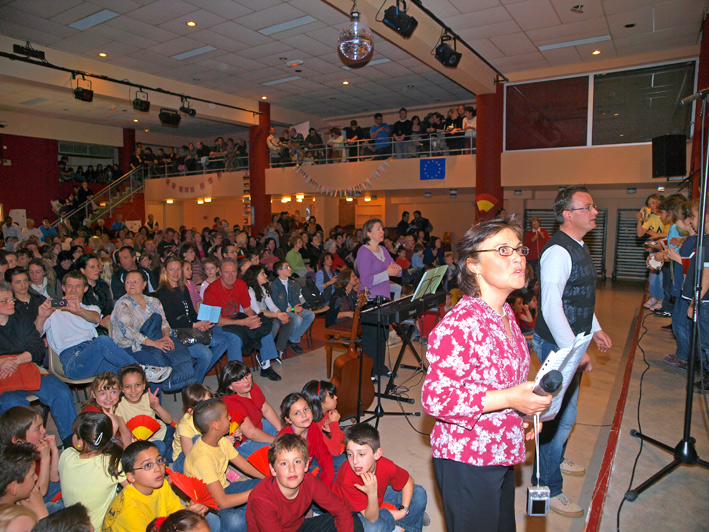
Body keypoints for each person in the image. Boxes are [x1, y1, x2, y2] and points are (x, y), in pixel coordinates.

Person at [421, 218, 552, 531]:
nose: (519, 257)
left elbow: (502, 381)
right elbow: (435, 398)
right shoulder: (460, 326)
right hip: (468, 459)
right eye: (503, 250)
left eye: (518, 250)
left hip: (501, 448)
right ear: (474, 265)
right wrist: (509, 398)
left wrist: (521, 411)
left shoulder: (505, 312)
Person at [532, 185, 612, 517]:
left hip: (572, 342)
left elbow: (577, 297)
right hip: (557, 345)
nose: (595, 212)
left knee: (567, 415)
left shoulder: (578, 246)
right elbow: (551, 308)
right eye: (588, 207)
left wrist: (595, 330)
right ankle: (548, 485)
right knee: (555, 419)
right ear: (568, 214)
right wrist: (574, 351)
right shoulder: (557, 252)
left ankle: (555, 458)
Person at [38, 270, 170, 382]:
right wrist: (42, 316)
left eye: (78, 286)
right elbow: (37, 333)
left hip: (94, 356)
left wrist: (78, 310)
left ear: (85, 289)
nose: (73, 290)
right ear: (63, 288)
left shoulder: (90, 308)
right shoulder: (53, 311)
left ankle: (140, 405)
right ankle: (141, 369)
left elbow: (95, 318)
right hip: (73, 361)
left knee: (129, 376)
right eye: (69, 286)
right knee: (104, 342)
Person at [0, 281, 77, 447]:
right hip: (3, 376)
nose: (12, 302)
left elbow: (36, 347)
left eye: (11, 299)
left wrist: (17, 360)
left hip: (27, 367)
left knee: (61, 392)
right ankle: (23, 451)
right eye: (5, 301)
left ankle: (70, 444)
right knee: (13, 405)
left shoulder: (20, 320)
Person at [245, 433, 361, 532]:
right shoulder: (262, 499)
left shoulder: (308, 480)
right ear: (273, 470)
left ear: (306, 466)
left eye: (297, 461)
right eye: (284, 463)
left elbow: (341, 509)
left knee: (351, 518)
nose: (292, 469)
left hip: (297, 527)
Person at [184, 399, 264, 532]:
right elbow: (222, 502)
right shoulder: (202, 458)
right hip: (206, 504)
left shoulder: (221, 441)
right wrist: (255, 493)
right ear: (216, 425)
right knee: (235, 521)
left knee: (265, 485)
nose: (230, 418)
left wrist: (268, 477)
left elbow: (244, 465)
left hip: (224, 488)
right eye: (226, 416)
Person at [101, 441, 213, 532]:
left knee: (210, 521)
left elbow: (175, 510)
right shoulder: (129, 512)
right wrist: (187, 519)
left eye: (159, 460)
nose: (158, 468)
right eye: (147, 465)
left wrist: (188, 515)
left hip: (159, 526)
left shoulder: (161, 484)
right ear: (130, 477)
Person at [111, 271, 195, 392]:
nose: (132, 285)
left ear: (144, 284)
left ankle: (188, 394)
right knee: (156, 365)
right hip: (132, 346)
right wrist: (154, 343)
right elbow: (129, 332)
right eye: (128, 282)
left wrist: (166, 336)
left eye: (136, 281)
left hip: (156, 339)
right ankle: (155, 403)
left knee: (181, 353)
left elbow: (164, 323)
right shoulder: (122, 304)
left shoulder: (153, 301)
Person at [334, 423, 428, 532]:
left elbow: (408, 481)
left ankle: (401, 525)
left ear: (377, 454)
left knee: (419, 493)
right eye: (350, 454)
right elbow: (371, 518)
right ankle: (411, 518)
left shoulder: (385, 465)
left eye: (361, 454)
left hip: (377, 502)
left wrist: (403, 510)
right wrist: (373, 494)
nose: (355, 461)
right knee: (373, 528)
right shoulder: (347, 477)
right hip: (353, 513)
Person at [203, 258, 281, 381]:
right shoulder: (211, 290)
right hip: (214, 325)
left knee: (262, 326)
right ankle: (236, 376)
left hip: (235, 318)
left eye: (233, 272)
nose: (230, 276)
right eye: (226, 272)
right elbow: (215, 320)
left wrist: (255, 319)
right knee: (235, 338)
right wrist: (243, 322)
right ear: (220, 273)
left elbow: (247, 309)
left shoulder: (240, 284)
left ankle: (266, 367)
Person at [155, 256, 231, 382]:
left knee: (223, 341)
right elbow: (171, 320)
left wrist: (200, 323)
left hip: (190, 329)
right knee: (205, 354)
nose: (175, 273)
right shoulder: (163, 292)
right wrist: (195, 325)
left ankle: (194, 379)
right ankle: (196, 384)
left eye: (178, 269)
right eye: (172, 269)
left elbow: (191, 312)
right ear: (165, 271)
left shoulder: (183, 289)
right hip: (176, 334)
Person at [57, 412, 126, 530]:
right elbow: (135, 489)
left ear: (80, 443)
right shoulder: (112, 463)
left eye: (75, 434)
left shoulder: (66, 455)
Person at [356, 219, 402, 377]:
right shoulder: (363, 252)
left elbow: (399, 271)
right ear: (368, 233)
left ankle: (380, 367)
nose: (382, 231)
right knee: (371, 338)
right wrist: (387, 273)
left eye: (382, 228)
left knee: (382, 336)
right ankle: (370, 371)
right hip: (369, 300)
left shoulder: (383, 250)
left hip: (384, 298)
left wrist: (395, 270)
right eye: (378, 229)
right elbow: (366, 280)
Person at [217, 361, 281, 458]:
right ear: (230, 386)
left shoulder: (252, 386)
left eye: (247, 375)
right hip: (244, 441)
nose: (246, 381)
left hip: (258, 426)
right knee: (277, 452)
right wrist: (277, 440)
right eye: (239, 380)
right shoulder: (231, 403)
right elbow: (251, 433)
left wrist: (281, 430)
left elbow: (266, 409)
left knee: (290, 426)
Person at [277, 393, 335, 488]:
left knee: (342, 463)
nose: (304, 415)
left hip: (309, 466)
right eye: (296, 413)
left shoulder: (313, 427)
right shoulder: (285, 439)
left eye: (305, 409)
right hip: (293, 476)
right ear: (288, 419)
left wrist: (326, 485)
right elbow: (287, 474)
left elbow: (324, 455)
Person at [243, 265, 294, 360]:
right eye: (262, 273)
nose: (266, 275)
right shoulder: (249, 290)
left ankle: (278, 349)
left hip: (264, 315)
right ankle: (263, 351)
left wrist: (280, 314)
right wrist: (278, 315)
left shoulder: (262, 288)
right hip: (253, 318)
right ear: (255, 277)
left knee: (289, 320)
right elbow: (257, 311)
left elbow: (272, 306)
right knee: (274, 324)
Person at [269, 262, 315, 356]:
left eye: (289, 267)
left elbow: (295, 298)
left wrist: (298, 308)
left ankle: (292, 339)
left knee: (311, 315)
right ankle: (289, 340)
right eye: (286, 267)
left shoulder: (291, 283)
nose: (290, 269)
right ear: (279, 271)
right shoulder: (274, 285)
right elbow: (277, 305)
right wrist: (294, 309)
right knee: (297, 319)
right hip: (282, 311)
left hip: (292, 309)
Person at [80, 371, 132, 447]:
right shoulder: (92, 415)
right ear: (94, 394)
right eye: (102, 393)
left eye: (113, 392)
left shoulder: (118, 407)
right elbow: (98, 447)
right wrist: (113, 427)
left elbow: (126, 436)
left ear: (120, 391)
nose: (108, 398)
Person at [172, 384, 215, 474]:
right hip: (183, 462)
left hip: (205, 451)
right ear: (191, 411)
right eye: (203, 406)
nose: (209, 408)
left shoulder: (214, 415)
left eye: (210, 402)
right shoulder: (184, 426)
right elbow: (189, 455)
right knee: (198, 439)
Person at [0, 442, 48, 521]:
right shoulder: (10, 523)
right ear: (14, 487)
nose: (36, 478)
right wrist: (42, 514)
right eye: (32, 475)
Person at [301, 380, 344, 459]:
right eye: (331, 396)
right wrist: (334, 424)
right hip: (311, 460)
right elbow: (335, 451)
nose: (336, 397)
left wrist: (332, 430)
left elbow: (343, 438)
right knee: (345, 459)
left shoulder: (324, 414)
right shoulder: (312, 426)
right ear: (321, 404)